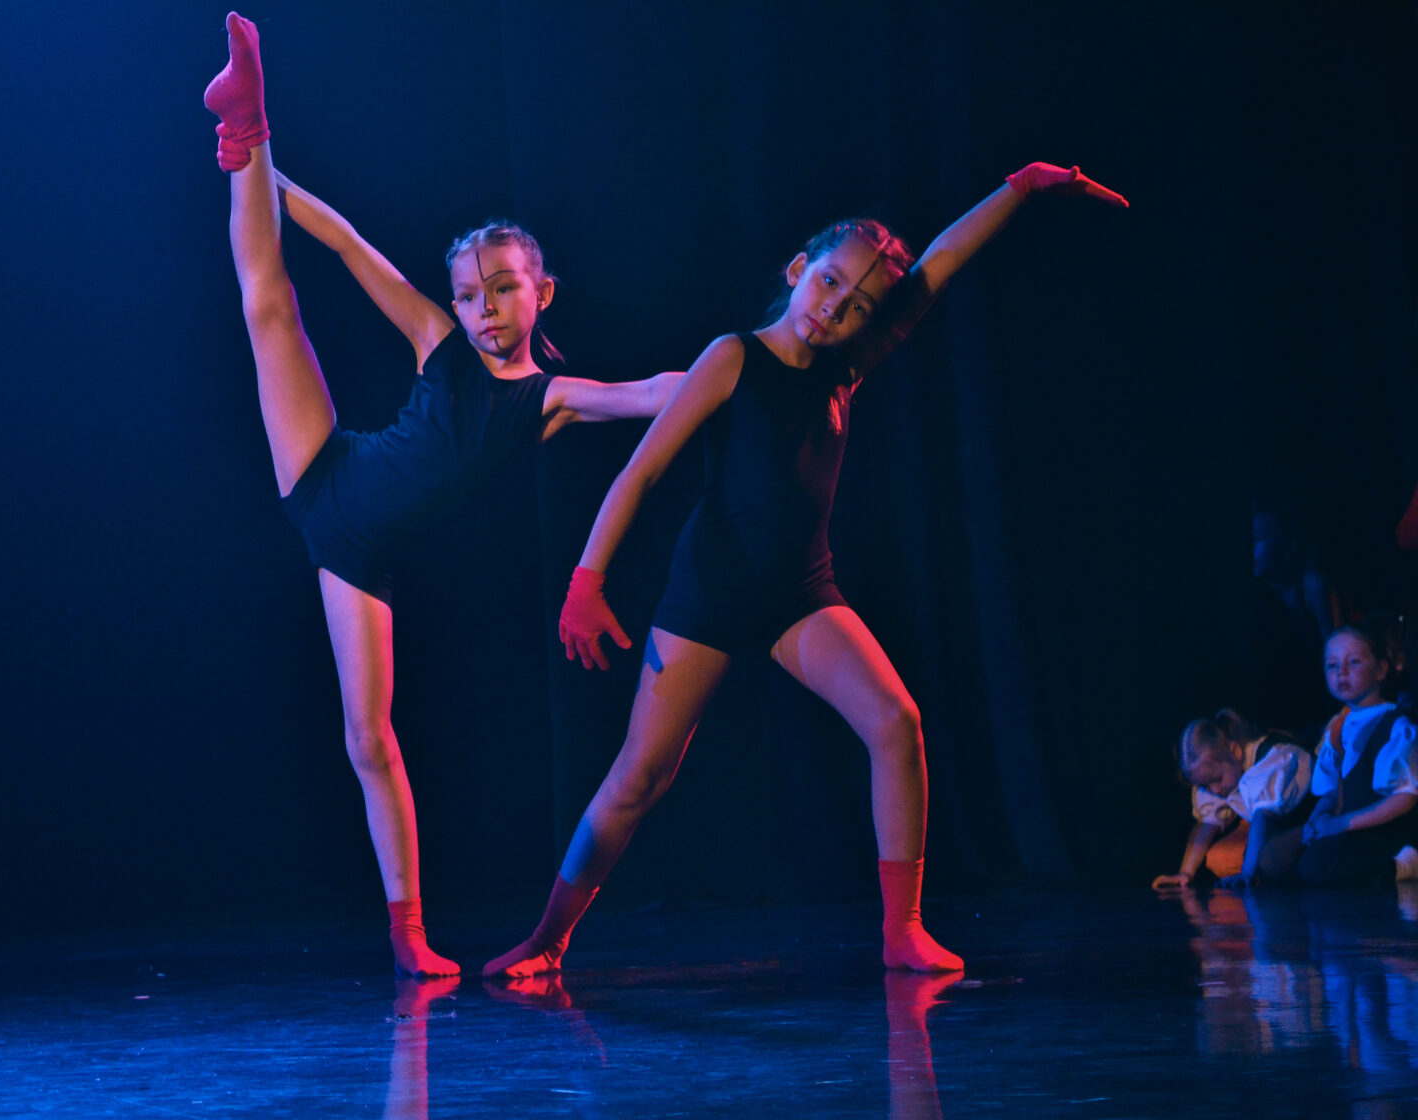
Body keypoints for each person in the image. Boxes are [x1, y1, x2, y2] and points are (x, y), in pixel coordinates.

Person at [485, 163, 1127, 976]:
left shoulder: (845, 367)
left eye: (857, 305)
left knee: (896, 723)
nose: (835, 307)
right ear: (798, 269)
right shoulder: (732, 358)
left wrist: (1022, 189)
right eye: (828, 283)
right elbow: (641, 473)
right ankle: (548, 938)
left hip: (799, 594)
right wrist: (588, 581)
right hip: (711, 596)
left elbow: (937, 268)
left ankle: (902, 932)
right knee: (640, 777)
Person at [205, 13, 681, 975]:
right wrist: (259, 168)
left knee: (369, 739)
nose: (483, 309)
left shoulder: (546, 401)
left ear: (542, 292)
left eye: (502, 289)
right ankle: (248, 116)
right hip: (326, 471)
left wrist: (740, 369)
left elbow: (649, 393)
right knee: (269, 304)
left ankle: (408, 937)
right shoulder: (439, 344)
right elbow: (350, 248)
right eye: (470, 295)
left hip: (357, 558)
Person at [1298, 625, 1418, 884]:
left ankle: (1403, 865)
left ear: (1381, 670)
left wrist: (1342, 824)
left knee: (1322, 865)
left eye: (1353, 662)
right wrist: (1317, 820)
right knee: (1285, 860)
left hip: (1385, 830)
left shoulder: (1396, 724)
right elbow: (1332, 792)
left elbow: (1405, 797)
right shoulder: (1337, 727)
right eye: (1332, 665)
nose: (1341, 672)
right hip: (1351, 829)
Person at [1150, 711, 1312, 891]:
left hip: (1306, 822)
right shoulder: (1223, 773)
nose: (1214, 790)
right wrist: (1185, 873)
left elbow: (1263, 817)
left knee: (1270, 859)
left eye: (1217, 779)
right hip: (1272, 827)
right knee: (1220, 858)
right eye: (1205, 785)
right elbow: (1207, 824)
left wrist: (1247, 873)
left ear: (1235, 751)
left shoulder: (1273, 759)